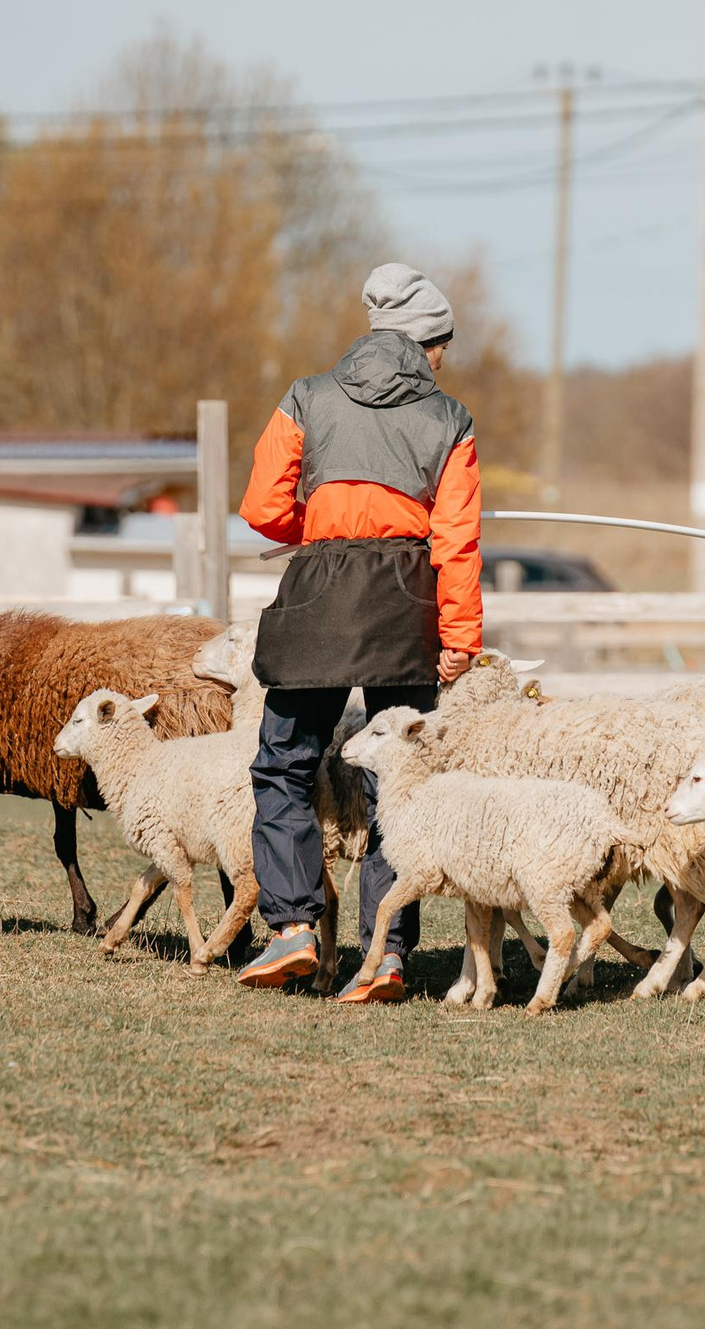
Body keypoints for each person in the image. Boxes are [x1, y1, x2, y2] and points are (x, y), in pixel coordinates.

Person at [233, 263, 481, 1003]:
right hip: (406, 604)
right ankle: (386, 954)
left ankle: (292, 930)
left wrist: (321, 526)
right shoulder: (449, 419)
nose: (442, 363)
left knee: (284, 763)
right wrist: (460, 636)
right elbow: (456, 542)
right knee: (394, 783)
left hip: (319, 597)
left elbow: (261, 508)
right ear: (427, 343)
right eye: (443, 347)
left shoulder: (306, 397)